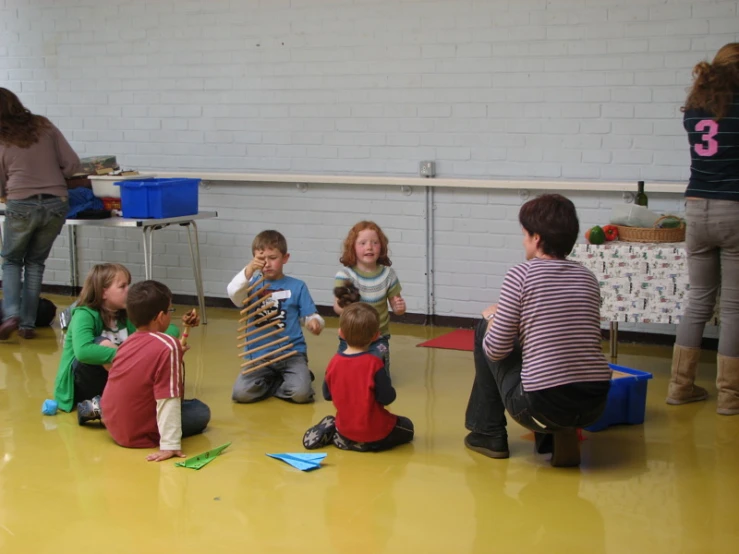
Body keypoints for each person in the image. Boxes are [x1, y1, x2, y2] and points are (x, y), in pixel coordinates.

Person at [464, 194, 611, 467]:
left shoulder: (521, 274)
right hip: (594, 404)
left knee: (486, 328)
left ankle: (488, 432)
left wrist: (494, 316)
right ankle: (554, 437)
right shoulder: (587, 277)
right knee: (542, 348)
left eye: (525, 234)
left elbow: (496, 350)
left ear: (537, 238)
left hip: (541, 405)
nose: (523, 241)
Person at [669, 43, 739, 416]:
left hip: (696, 208)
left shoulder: (695, 110)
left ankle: (680, 387)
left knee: (698, 301)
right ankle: (730, 396)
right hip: (735, 210)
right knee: (734, 308)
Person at [0, 88, 81, 340]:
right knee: (35, 263)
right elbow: (72, 163)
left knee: (12, 260)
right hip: (56, 203)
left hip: (21, 203)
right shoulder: (44, 126)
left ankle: (10, 314)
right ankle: (27, 325)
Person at [52, 263, 182, 418]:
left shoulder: (126, 314)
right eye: (123, 286)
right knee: (99, 342)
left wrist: (140, 350)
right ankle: (104, 404)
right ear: (103, 292)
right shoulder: (84, 314)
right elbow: (83, 352)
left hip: (113, 380)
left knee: (143, 343)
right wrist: (132, 354)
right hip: (83, 383)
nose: (129, 290)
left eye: (129, 285)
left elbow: (168, 328)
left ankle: (105, 405)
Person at [100, 280, 210, 461]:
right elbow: (169, 398)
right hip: (141, 434)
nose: (170, 315)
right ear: (160, 317)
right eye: (170, 311)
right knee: (200, 411)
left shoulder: (128, 342)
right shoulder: (169, 346)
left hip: (115, 428)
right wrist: (170, 445)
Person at [226, 230, 324, 403]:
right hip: (258, 355)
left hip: (291, 353)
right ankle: (284, 381)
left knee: (301, 395)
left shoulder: (297, 286)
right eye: (261, 259)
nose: (267, 264)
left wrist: (314, 322)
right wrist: (249, 270)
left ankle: (296, 379)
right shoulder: (248, 285)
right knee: (241, 394)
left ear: (285, 258)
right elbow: (234, 294)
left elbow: (310, 315)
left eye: (273, 258)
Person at [303, 302, 414, 452]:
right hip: (374, 430)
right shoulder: (374, 364)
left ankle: (340, 433)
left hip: (345, 427)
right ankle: (363, 443)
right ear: (376, 336)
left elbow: (327, 395)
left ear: (340, 333)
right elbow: (387, 398)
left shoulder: (333, 362)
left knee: (348, 424)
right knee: (407, 427)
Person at [333, 221, 405, 377]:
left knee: (379, 374)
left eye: (375, 242)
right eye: (363, 243)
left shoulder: (388, 274)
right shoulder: (346, 276)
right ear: (352, 247)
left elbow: (396, 305)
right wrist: (344, 304)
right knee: (342, 373)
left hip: (379, 337)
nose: (369, 247)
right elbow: (338, 309)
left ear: (382, 247)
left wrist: (399, 307)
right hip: (350, 337)